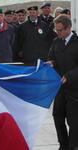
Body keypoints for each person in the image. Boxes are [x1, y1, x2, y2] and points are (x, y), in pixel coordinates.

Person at [47, 14, 78, 150]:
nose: (58, 33)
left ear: (68, 28)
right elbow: (52, 57)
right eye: (56, 30)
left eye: (60, 30)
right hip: (59, 88)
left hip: (74, 89)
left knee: (74, 121)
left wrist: (69, 76)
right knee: (58, 118)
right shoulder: (56, 42)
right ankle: (63, 146)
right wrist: (51, 63)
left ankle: (73, 146)